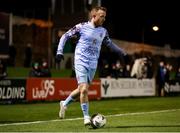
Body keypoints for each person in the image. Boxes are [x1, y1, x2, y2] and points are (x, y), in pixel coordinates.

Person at [55, 6, 127, 126]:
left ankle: (64, 103)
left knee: (80, 90)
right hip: (80, 61)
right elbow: (65, 36)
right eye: (101, 16)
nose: (104, 19)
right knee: (84, 89)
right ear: (94, 16)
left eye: (105, 16)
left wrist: (121, 51)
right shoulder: (81, 27)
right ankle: (86, 117)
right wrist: (59, 51)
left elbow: (110, 44)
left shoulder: (103, 31)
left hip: (93, 64)